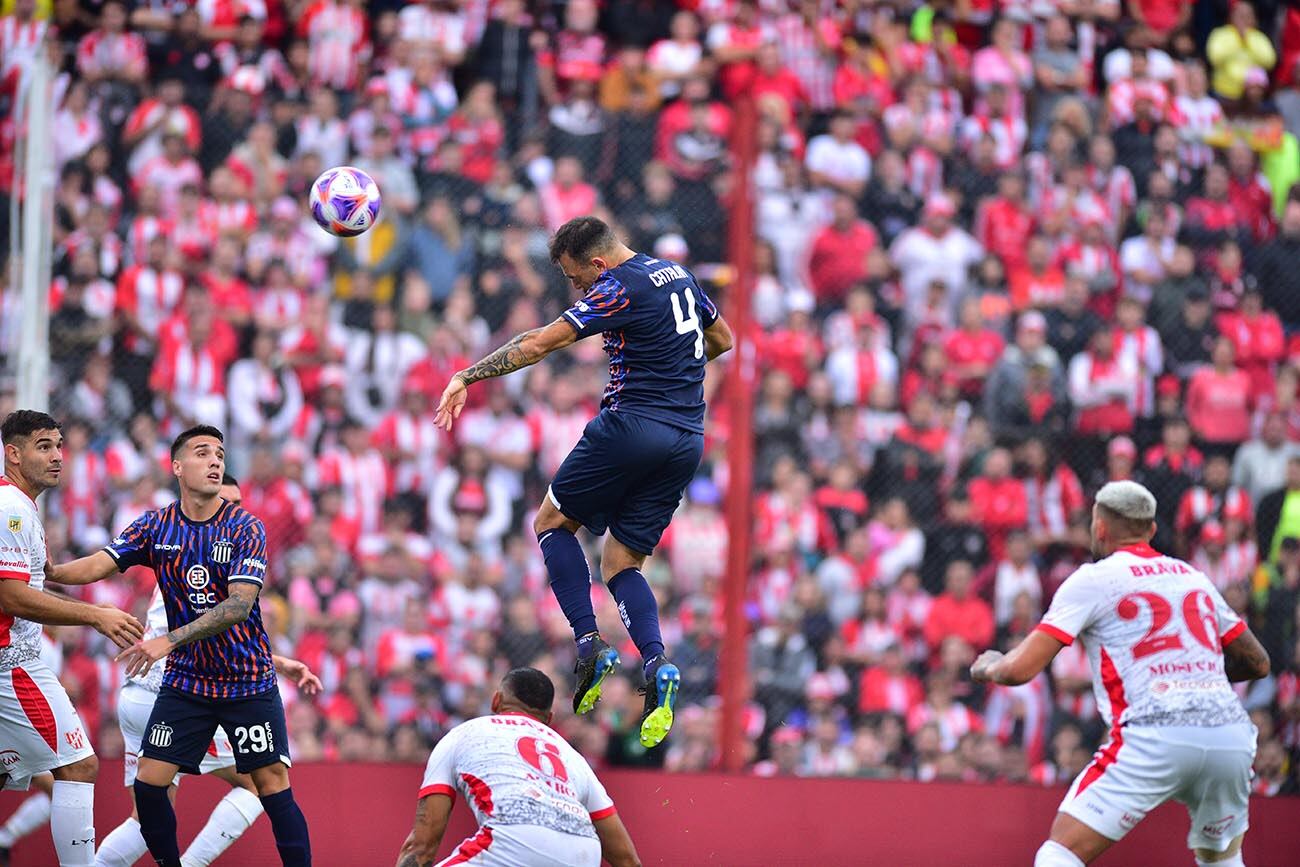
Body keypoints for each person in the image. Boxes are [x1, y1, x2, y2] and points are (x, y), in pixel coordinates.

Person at [435, 216, 734, 748]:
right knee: (621, 563)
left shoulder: (617, 285)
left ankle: (590, 643)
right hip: (687, 439)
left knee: (551, 522)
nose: (579, 289)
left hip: (631, 426)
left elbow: (538, 345)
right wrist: (672, 366)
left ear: (597, 263)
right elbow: (722, 339)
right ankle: (658, 662)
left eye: (577, 279)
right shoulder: (679, 275)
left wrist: (466, 375)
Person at [47, 425, 312, 867]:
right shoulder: (157, 524)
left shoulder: (246, 527)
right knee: (150, 785)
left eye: (220, 454)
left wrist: (166, 642)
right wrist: (50, 571)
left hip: (245, 682)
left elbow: (238, 607)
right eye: (203, 453)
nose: (214, 461)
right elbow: (102, 562)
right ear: (176, 466)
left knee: (270, 783)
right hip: (187, 682)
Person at [971, 480, 1271, 867]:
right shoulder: (1192, 576)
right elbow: (1258, 662)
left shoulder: (1093, 579)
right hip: (1229, 734)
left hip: (1154, 732)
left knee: (1060, 851)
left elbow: (1020, 669)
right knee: (1221, 860)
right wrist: (1195, 674)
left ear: (1098, 527)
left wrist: (990, 665)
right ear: (1151, 530)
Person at [0, 410, 144, 867]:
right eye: (45, 446)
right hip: (10, 664)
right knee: (79, 765)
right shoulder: (11, 510)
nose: (58, 456)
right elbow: (12, 597)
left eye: (60, 446)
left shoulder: (18, 505)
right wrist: (95, 615)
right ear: (14, 453)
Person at [394, 667, 641, 867]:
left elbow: (422, 847)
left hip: (513, 841)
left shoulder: (462, 734)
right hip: (582, 854)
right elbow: (627, 860)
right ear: (549, 719)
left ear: (496, 701)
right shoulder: (573, 757)